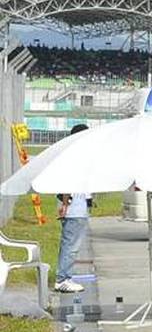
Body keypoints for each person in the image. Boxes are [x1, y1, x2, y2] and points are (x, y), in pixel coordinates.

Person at [54, 124, 92, 294]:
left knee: (69, 244)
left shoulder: (75, 155)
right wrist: (65, 203)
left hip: (76, 206)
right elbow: (66, 183)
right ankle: (63, 279)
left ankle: (65, 276)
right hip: (73, 208)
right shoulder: (74, 157)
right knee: (71, 245)